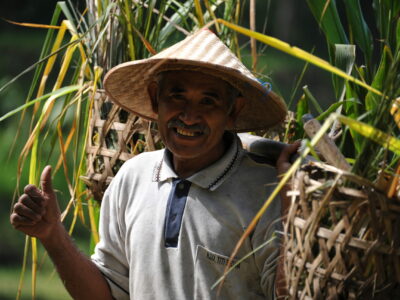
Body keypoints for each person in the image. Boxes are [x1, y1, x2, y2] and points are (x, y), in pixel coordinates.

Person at [10, 29, 299, 299]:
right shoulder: (132, 177)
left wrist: (291, 204)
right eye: (177, 96)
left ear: (233, 112)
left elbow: (287, 294)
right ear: (154, 99)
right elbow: (108, 293)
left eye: (208, 101)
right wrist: (53, 236)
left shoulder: (266, 191)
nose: (188, 116)